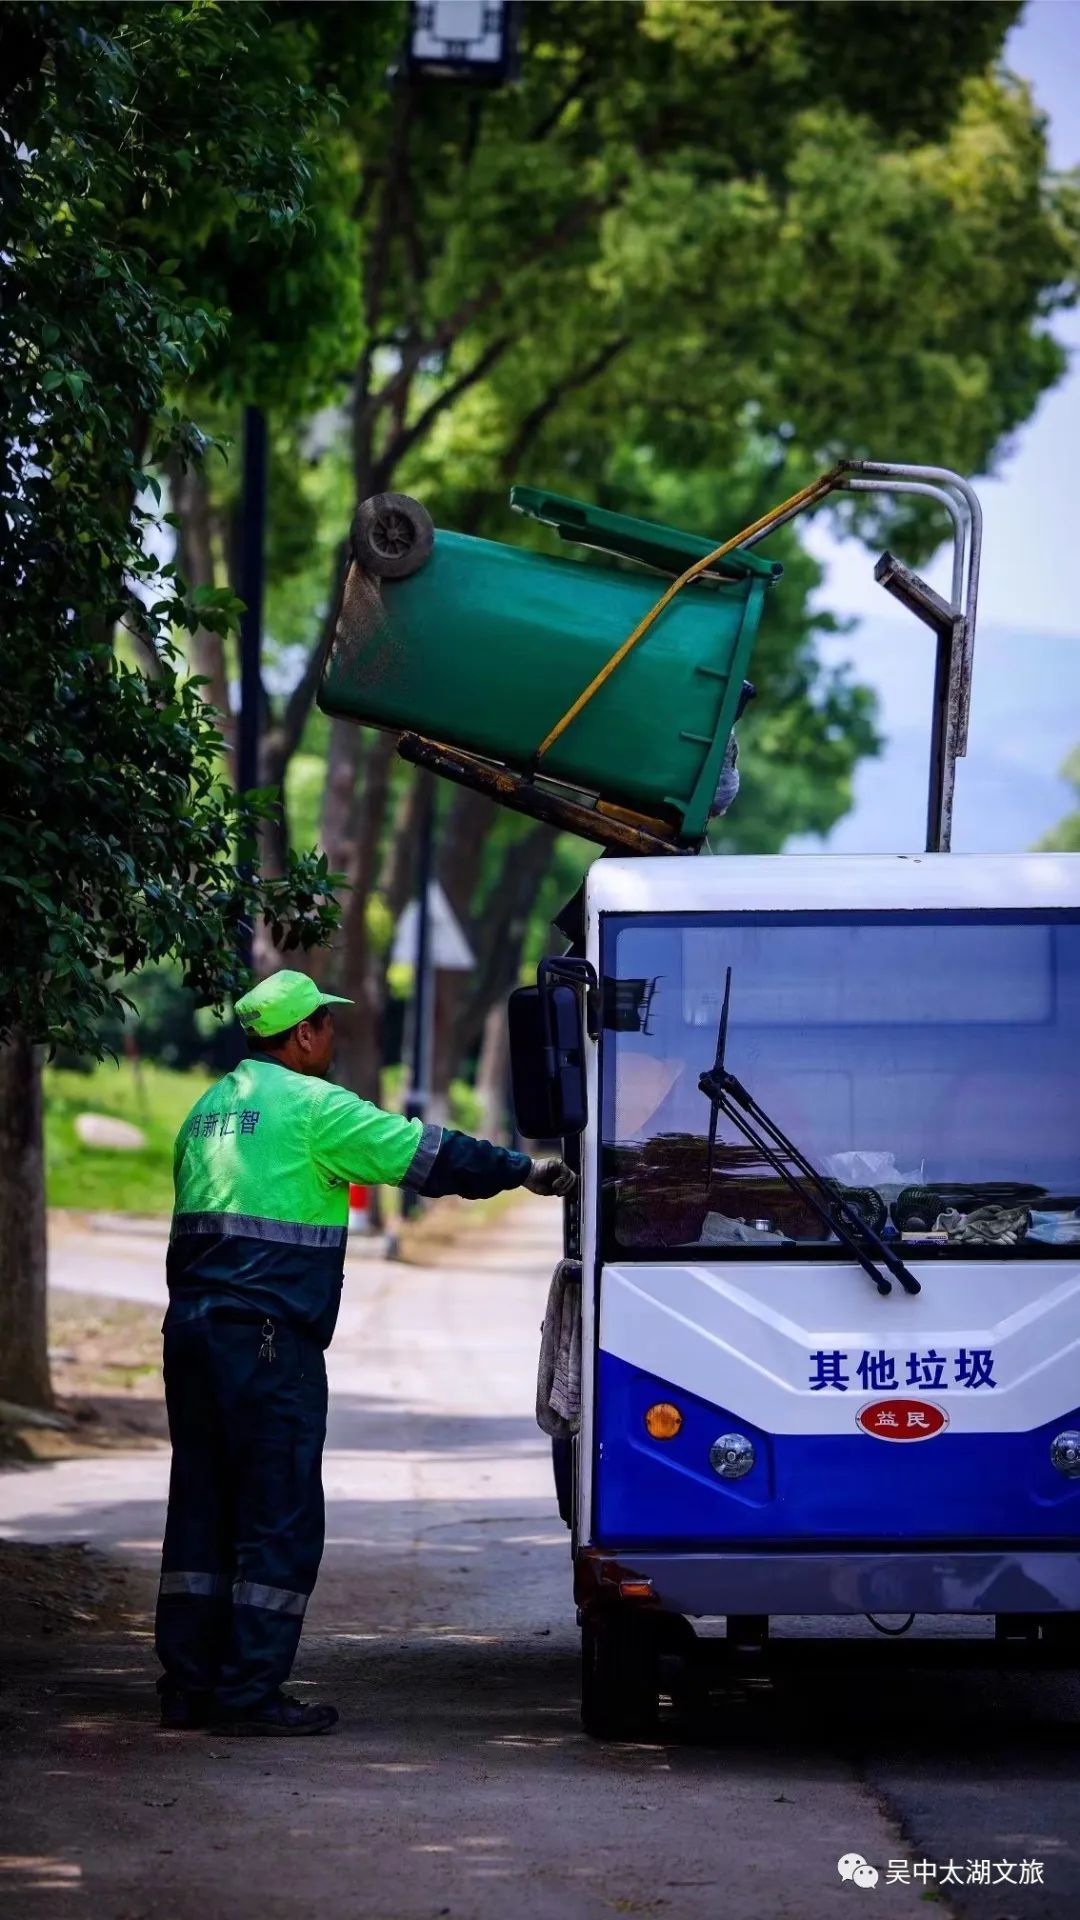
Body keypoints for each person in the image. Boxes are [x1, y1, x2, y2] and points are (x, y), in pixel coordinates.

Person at [156, 969, 573, 1737]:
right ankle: (248, 1695)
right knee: (278, 1516)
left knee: (201, 1512)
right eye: (326, 1023)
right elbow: (427, 1154)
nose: (333, 1036)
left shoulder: (210, 1109)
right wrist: (525, 1170)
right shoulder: (314, 1109)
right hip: (268, 1342)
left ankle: (187, 1689)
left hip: (190, 1337)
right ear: (305, 1033)